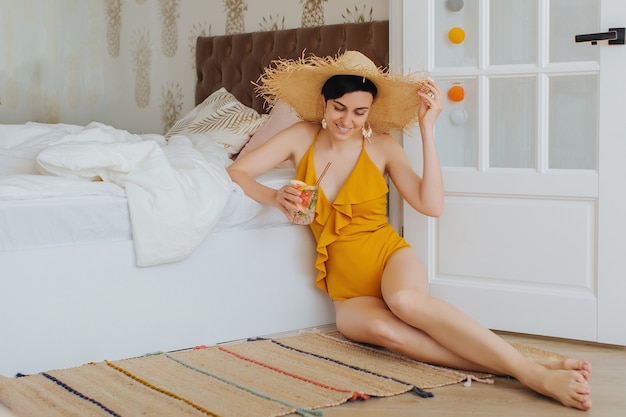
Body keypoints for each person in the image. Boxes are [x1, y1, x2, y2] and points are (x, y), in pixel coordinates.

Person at [227, 51, 592, 411]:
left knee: (406, 302)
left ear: (370, 112)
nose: (347, 121)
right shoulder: (300, 138)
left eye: (359, 112)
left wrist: (427, 130)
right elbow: (237, 171)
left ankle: (533, 375)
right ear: (324, 102)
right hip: (347, 292)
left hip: (389, 260)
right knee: (387, 333)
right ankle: (529, 365)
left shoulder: (382, 147)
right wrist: (275, 196)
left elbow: (430, 204)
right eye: (339, 107)